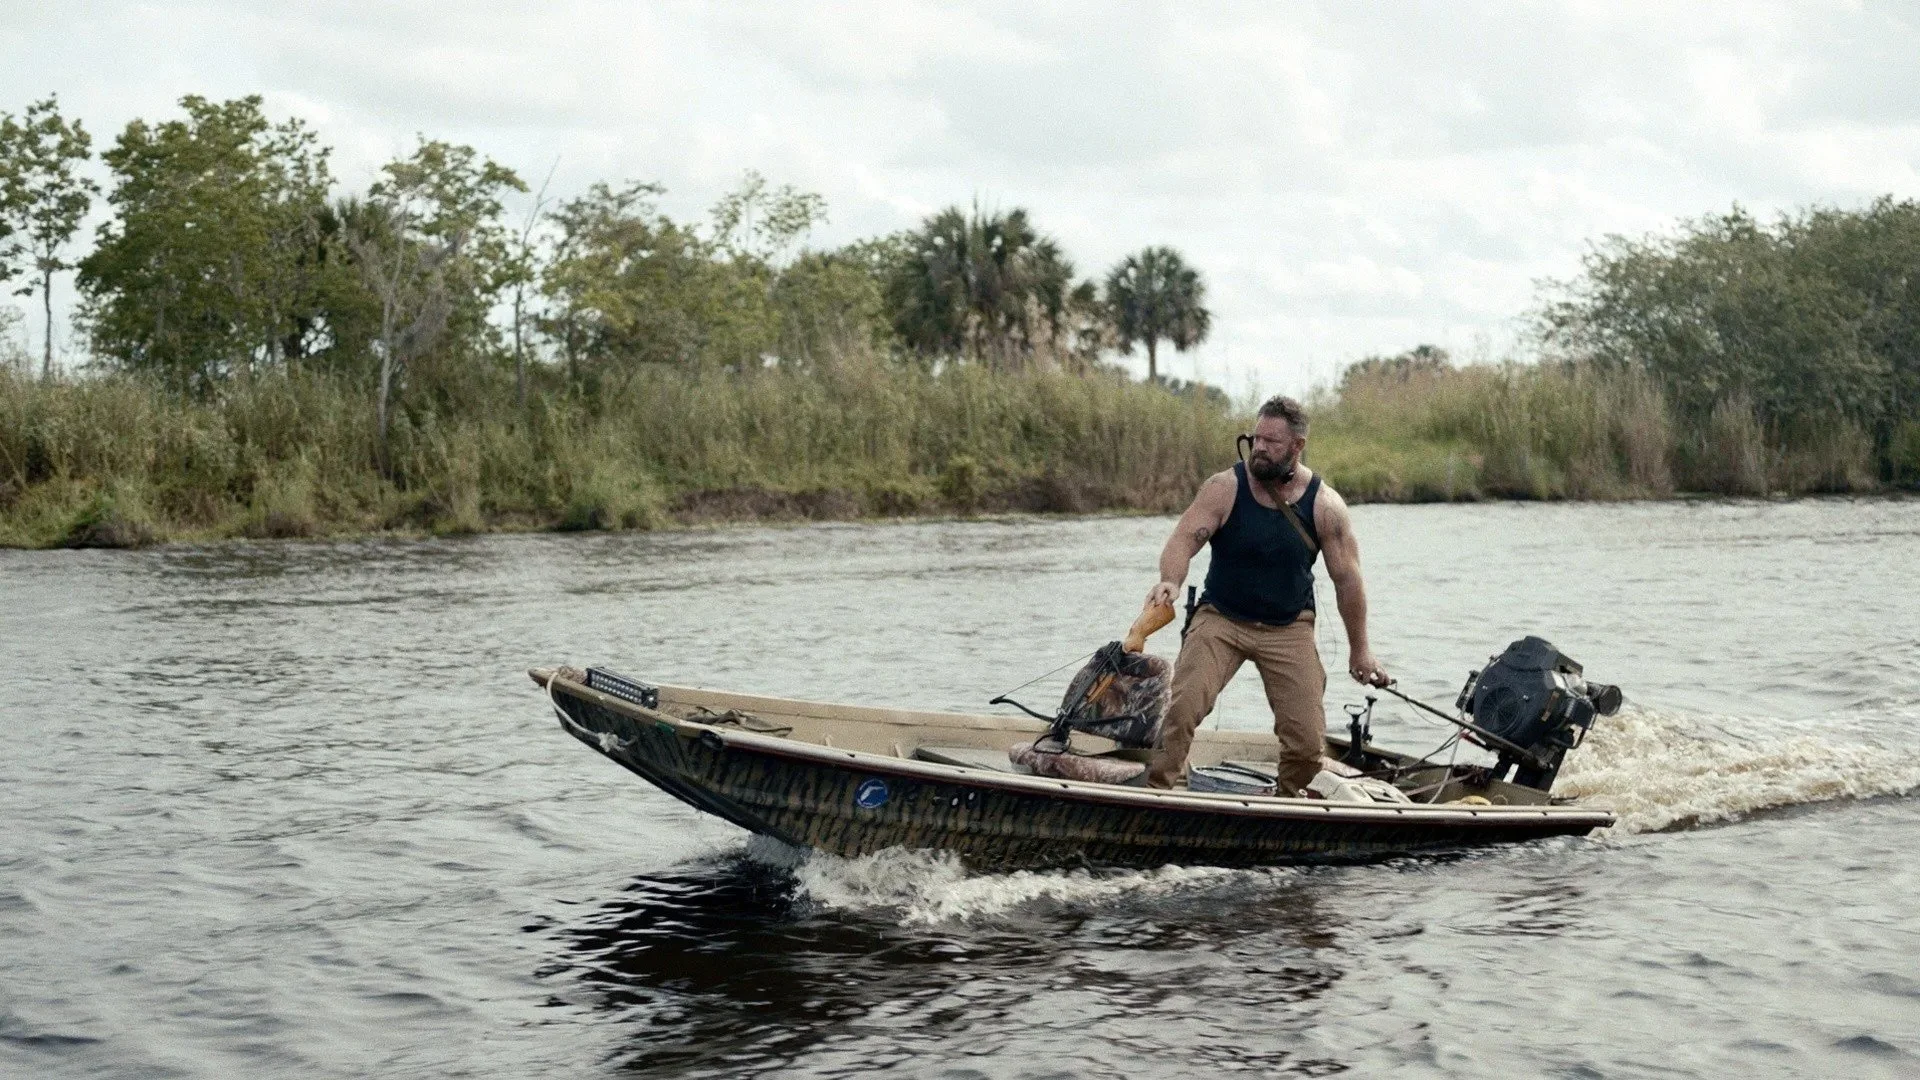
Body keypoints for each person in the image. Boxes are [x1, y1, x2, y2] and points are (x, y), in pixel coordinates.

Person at [1145, 394, 1388, 793]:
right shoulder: (1224, 488)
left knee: (1307, 742)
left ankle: (1290, 804)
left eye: (1271, 442)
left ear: (1297, 446)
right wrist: (1170, 579)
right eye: (1256, 438)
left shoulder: (1326, 506)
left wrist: (1360, 650)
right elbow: (1183, 539)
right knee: (1181, 710)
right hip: (1221, 619)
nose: (1259, 448)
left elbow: (1348, 582)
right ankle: (1159, 792)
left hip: (1288, 628)